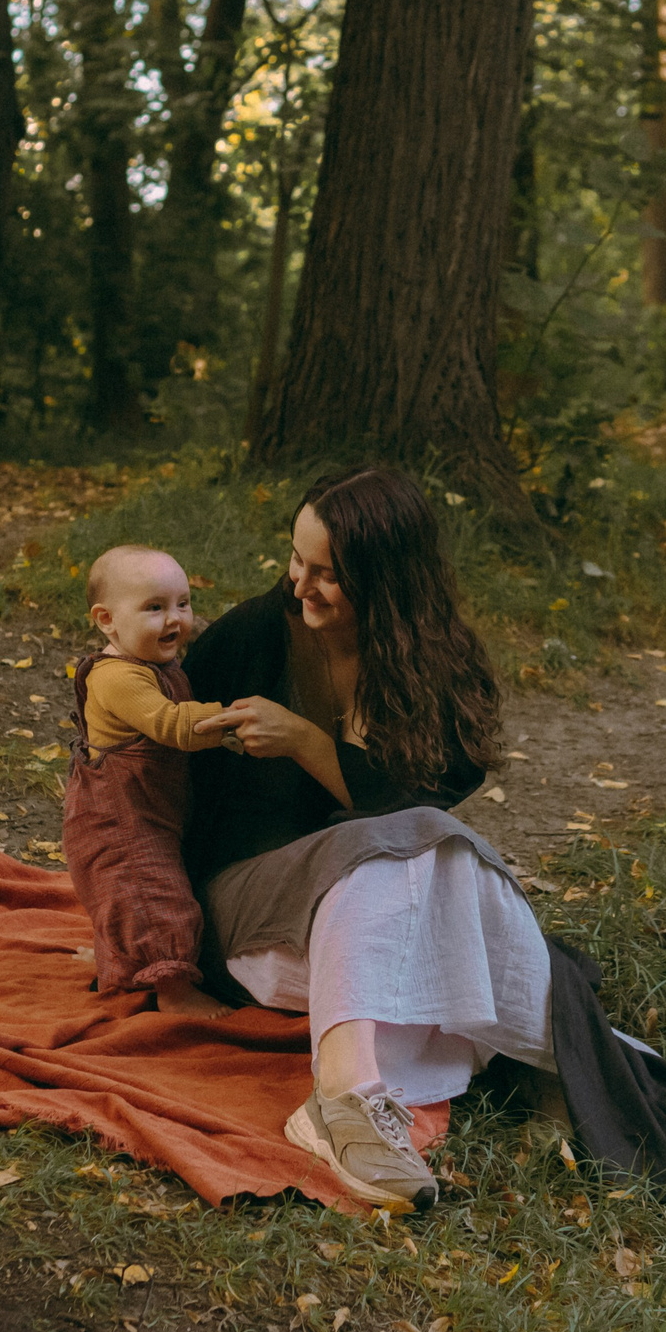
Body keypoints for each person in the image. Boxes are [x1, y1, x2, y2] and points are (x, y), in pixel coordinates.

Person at [186, 470, 556, 1210]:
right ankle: (345, 1093)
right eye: (296, 559)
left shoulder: (435, 663)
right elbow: (143, 782)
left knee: (439, 846)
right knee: (426, 842)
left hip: (364, 924)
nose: (300, 585)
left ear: (388, 582)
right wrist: (145, 931)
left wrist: (304, 742)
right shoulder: (254, 637)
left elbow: (420, 800)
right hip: (252, 910)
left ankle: (545, 1063)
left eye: (327, 573)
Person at [62, 545, 233, 1016]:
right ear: (107, 620)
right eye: (155, 607)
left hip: (149, 808)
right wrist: (233, 719)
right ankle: (174, 992)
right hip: (117, 820)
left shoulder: (157, 666)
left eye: (183, 603)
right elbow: (171, 724)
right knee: (151, 892)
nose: (175, 618)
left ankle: (122, 959)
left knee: (132, 895)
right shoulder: (117, 678)